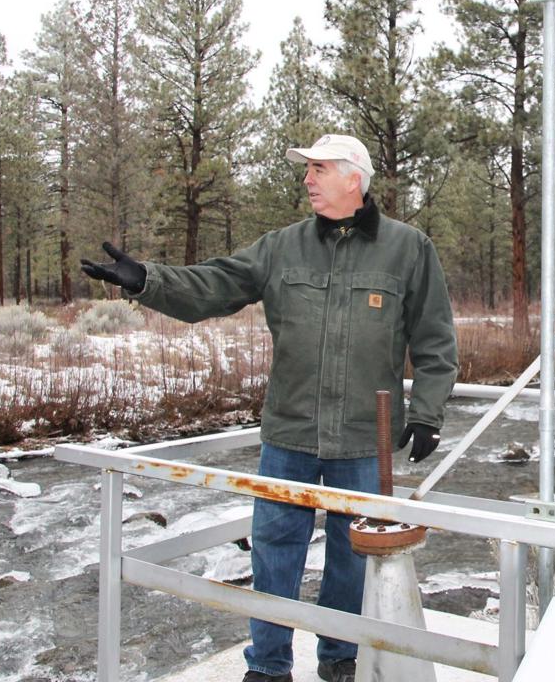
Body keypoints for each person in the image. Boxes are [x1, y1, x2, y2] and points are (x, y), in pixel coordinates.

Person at [81, 134, 458, 682]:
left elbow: (434, 338)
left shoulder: (409, 248)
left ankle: (340, 658)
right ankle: (268, 665)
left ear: (353, 177)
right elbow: (216, 284)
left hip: (363, 439)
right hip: (289, 433)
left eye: (318, 168)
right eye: (306, 169)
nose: (307, 178)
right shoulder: (282, 246)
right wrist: (147, 281)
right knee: (275, 550)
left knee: (352, 559)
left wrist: (426, 413)